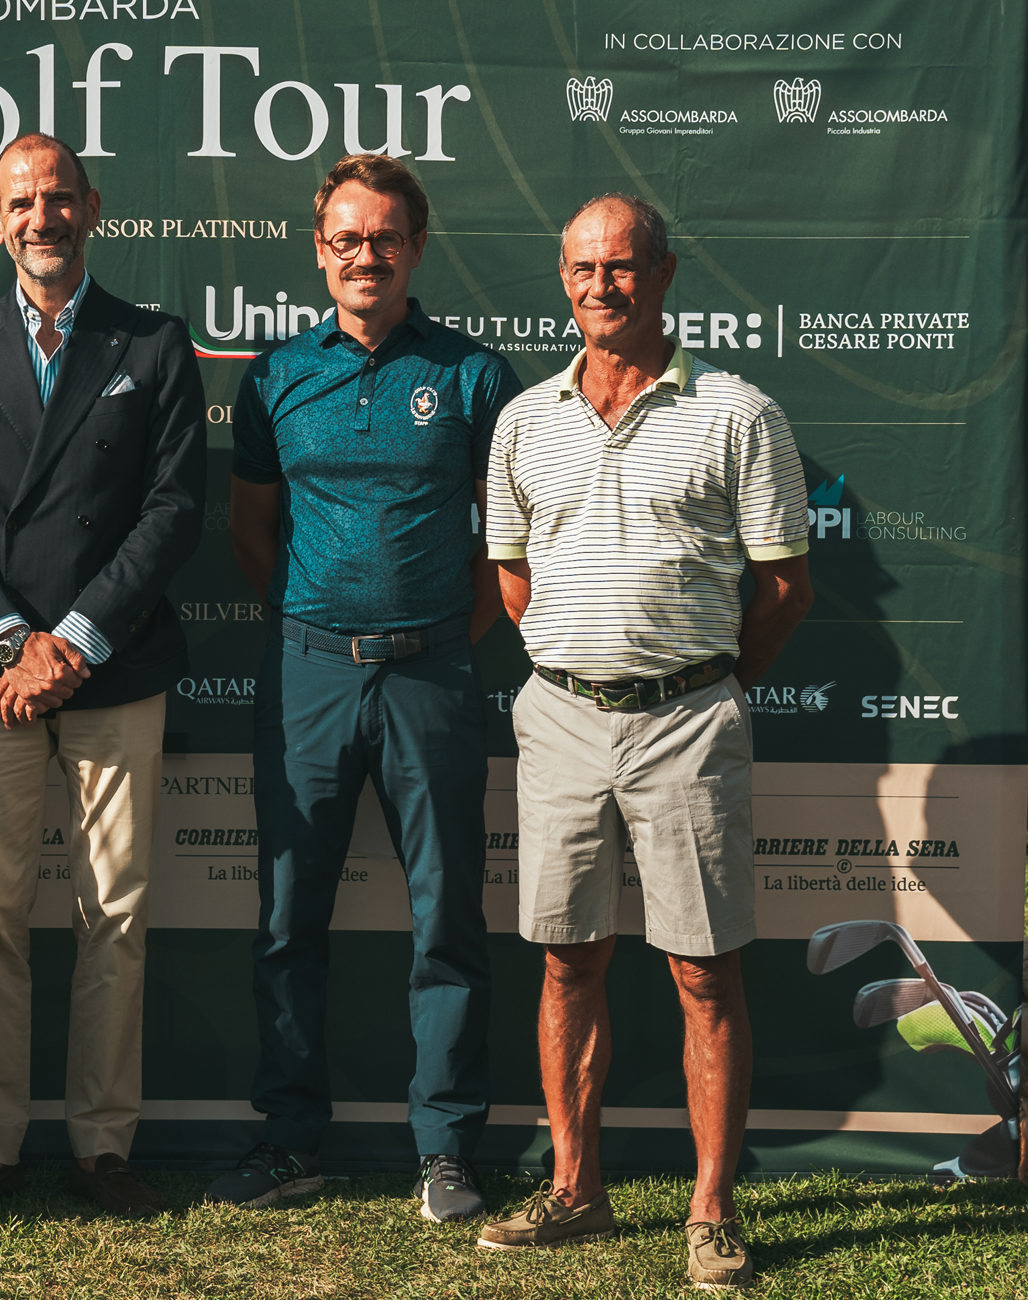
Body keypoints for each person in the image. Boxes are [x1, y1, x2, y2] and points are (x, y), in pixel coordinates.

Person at [477, 194, 811, 1290]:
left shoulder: (738, 413)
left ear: (664, 275)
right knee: (567, 959)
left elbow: (784, 586)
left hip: (689, 721)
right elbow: (513, 579)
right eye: (583, 269)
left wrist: (708, 685)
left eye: (621, 267)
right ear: (562, 280)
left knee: (703, 971)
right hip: (561, 719)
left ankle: (712, 1208)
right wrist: (585, 661)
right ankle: (577, 1191)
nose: (600, 286)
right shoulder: (524, 421)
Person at [209, 154, 517, 1219]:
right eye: (346, 237)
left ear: (417, 248)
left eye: (385, 237)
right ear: (320, 250)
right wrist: (321, 627)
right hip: (308, 675)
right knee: (288, 917)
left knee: (449, 920)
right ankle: (290, 1139)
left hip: (433, 671)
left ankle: (446, 1148)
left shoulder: (474, 376)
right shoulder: (277, 377)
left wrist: (438, 640)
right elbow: (252, 534)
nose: (365, 255)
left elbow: (506, 545)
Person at [0, 132, 206, 1218]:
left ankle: (102, 1147)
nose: (45, 217)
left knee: (113, 911)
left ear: (93, 207)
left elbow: (174, 511)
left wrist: (72, 642)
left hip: (112, 667)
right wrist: (9, 644)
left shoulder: (153, 343)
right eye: (23, 201)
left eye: (61, 197)